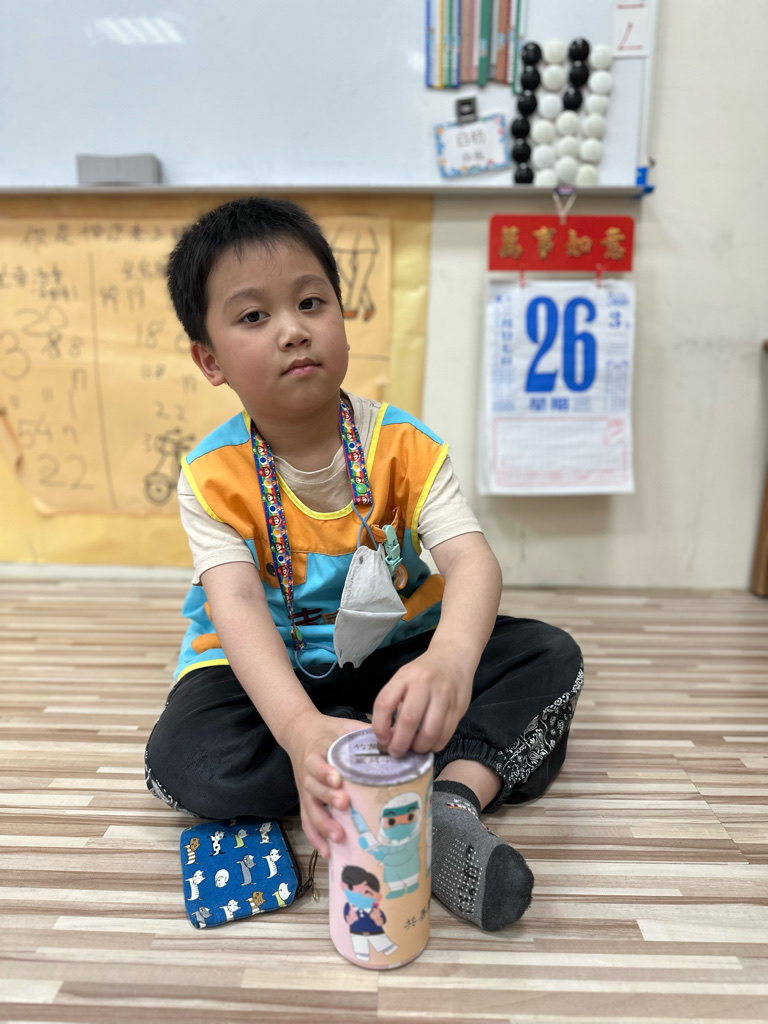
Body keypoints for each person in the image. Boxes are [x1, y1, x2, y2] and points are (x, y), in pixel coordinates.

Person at [145, 197, 584, 933]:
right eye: (253, 316)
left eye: (311, 302)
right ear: (210, 360)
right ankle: (372, 762)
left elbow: (472, 562)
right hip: (269, 672)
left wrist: (449, 663)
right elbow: (237, 606)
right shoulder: (211, 475)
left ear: (342, 317)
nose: (293, 329)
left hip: (398, 658)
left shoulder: (405, 445)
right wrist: (297, 728)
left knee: (548, 656)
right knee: (181, 759)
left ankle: (446, 804)